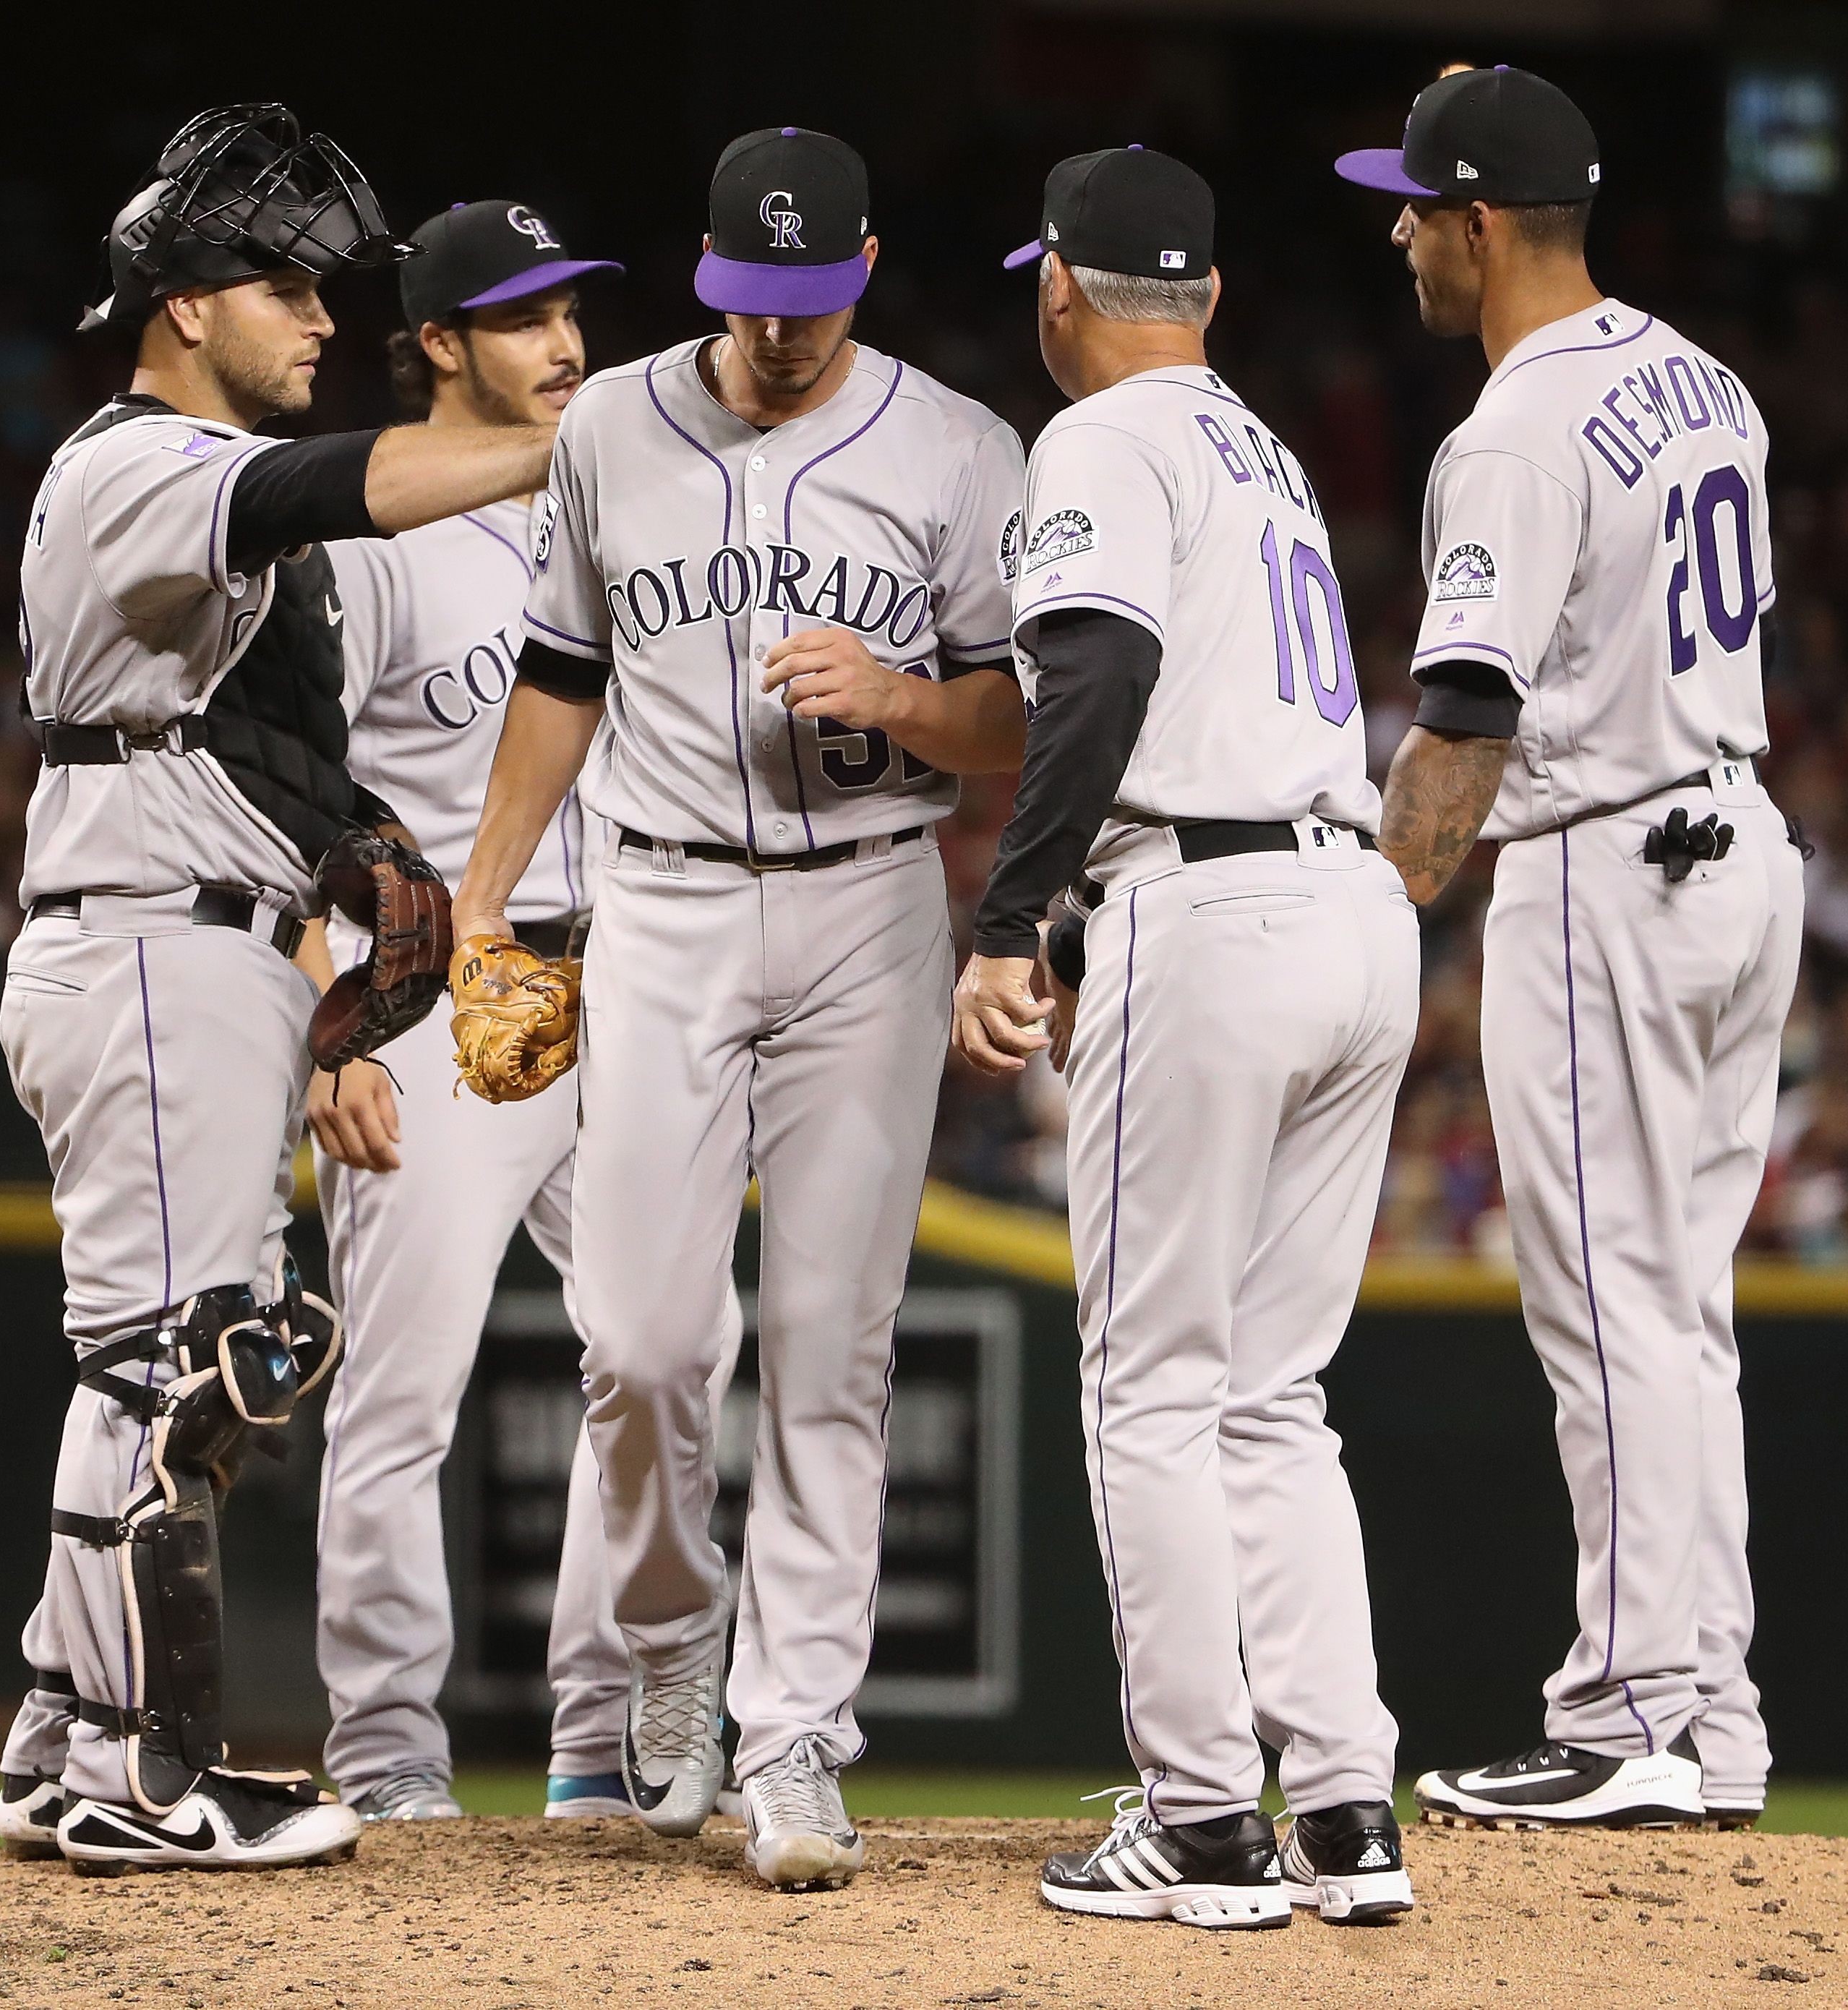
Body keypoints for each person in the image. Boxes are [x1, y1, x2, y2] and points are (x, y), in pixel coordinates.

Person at [447, 125, 1026, 1892]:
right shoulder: (614, 424)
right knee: (633, 1343)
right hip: (666, 898)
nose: (774, 335)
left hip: (868, 901)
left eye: (805, 301)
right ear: (708, 275)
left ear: (856, 272)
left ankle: (792, 1743)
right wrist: (485, 901)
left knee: (833, 1352)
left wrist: (906, 698)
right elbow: (558, 672)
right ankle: (675, 1640)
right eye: (745, 301)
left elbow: (1019, 721)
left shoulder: (954, 447)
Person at [0, 103, 555, 1875]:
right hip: (148, 942)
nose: (320, 312)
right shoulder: (134, 462)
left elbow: (281, 759)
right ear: (181, 305)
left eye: (329, 286)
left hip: (200, 939)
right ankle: (137, 1777)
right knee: (166, 1366)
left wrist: (360, 896)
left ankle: (57, 1732)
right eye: (284, 282)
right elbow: (342, 482)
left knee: (209, 1368)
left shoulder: (208, 519)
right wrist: (577, 438)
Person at [957, 145, 1418, 1931]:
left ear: (1056, 293)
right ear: (1206, 297)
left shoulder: (1099, 439)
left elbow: (1094, 678)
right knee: (1267, 1395)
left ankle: (1206, 1816)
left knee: (1146, 1385)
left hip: (1208, 907)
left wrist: (1008, 921)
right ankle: (1345, 1812)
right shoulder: (1262, 447)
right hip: (1348, 903)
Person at [1346, 66, 1802, 1830]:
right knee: (1679, 1313)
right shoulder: (1703, 376)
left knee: (1613, 1311)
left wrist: (1373, 901)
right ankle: (1714, 1712)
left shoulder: (1517, 424)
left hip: (1597, 860)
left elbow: (1463, 709)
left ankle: (1627, 1714)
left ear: (1475, 223)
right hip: (1731, 845)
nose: (1395, 236)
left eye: (1410, 207)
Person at [303, 197, 651, 1824]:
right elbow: (285, 798)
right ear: (438, 342)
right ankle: (385, 1753)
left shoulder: (610, 504)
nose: (564, 340)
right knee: (401, 1391)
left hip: (622, 970)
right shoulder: (363, 533)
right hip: (433, 990)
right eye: (522, 316)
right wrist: (330, 1025)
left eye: (570, 308)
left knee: (651, 1366)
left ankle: (602, 1737)